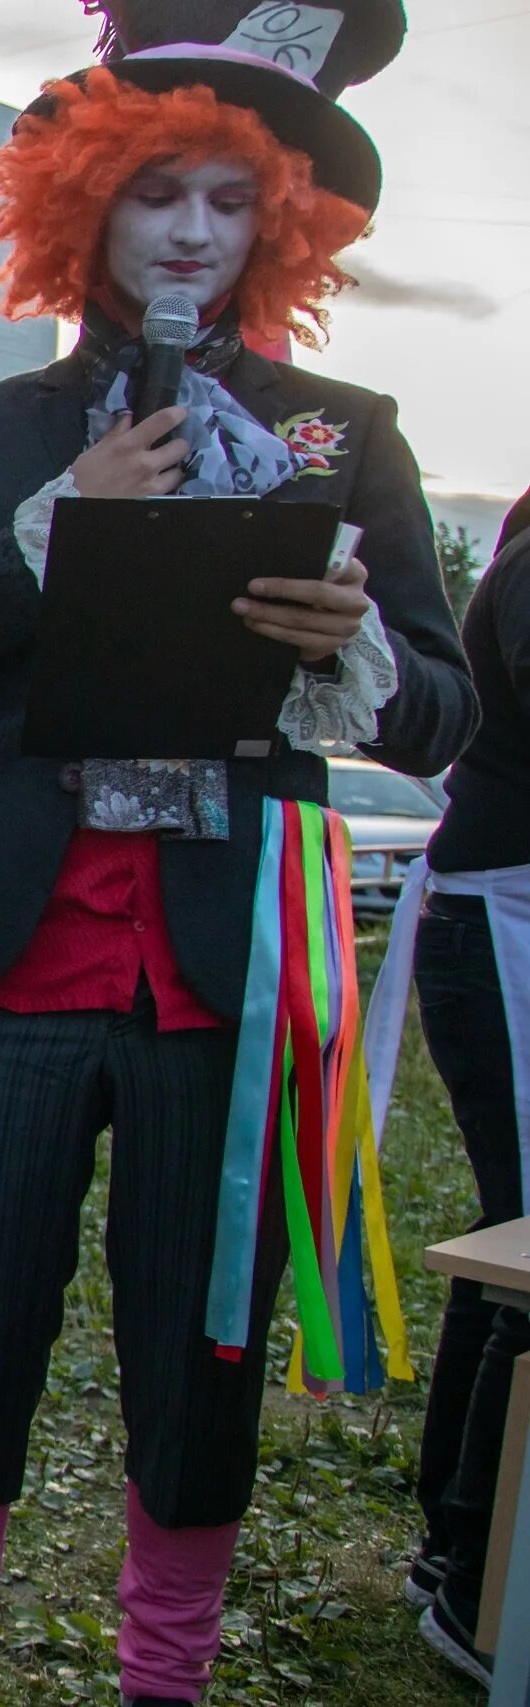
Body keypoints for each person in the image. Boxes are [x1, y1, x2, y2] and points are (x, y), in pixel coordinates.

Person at [0, 5, 475, 1703]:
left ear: (283, 220)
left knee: (204, 1362)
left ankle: (164, 1678)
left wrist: (360, 655)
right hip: (7, 972)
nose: (191, 230)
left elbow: (440, 719)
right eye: (155, 191)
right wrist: (46, 537)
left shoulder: (353, 432)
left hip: (233, 979)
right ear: (83, 205)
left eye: (227, 198)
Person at [385, 489, 530, 1684]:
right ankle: (477, 1575)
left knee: (514, 1241)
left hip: (504, 911)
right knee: (526, 1244)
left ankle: (461, 1546)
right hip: (505, 920)